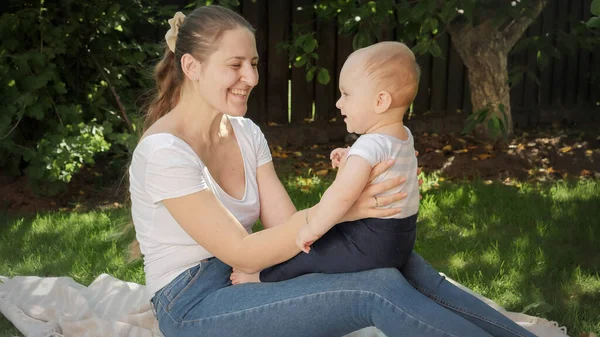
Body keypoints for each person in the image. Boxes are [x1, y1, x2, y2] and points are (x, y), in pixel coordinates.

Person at [128, 5, 539, 337]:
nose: (250, 77)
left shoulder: (245, 133)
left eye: (253, 63)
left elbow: (288, 227)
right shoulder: (164, 151)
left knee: (404, 264)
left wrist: (348, 201)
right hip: (194, 303)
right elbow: (239, 251)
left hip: (252, 270)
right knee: (373, 290)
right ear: (191, 66)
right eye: (235, 65)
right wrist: (344, 208)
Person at [230, 41, 420, 284]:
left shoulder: (369, 146)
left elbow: (341, 196)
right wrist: (352, 155)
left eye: (347, 94)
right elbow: (381, 159)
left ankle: (259, 278)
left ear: (380, 102)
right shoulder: (403, 136)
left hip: (369, 243)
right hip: (400, 240)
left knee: (312, 255)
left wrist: (312, 230)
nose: (339, 103)